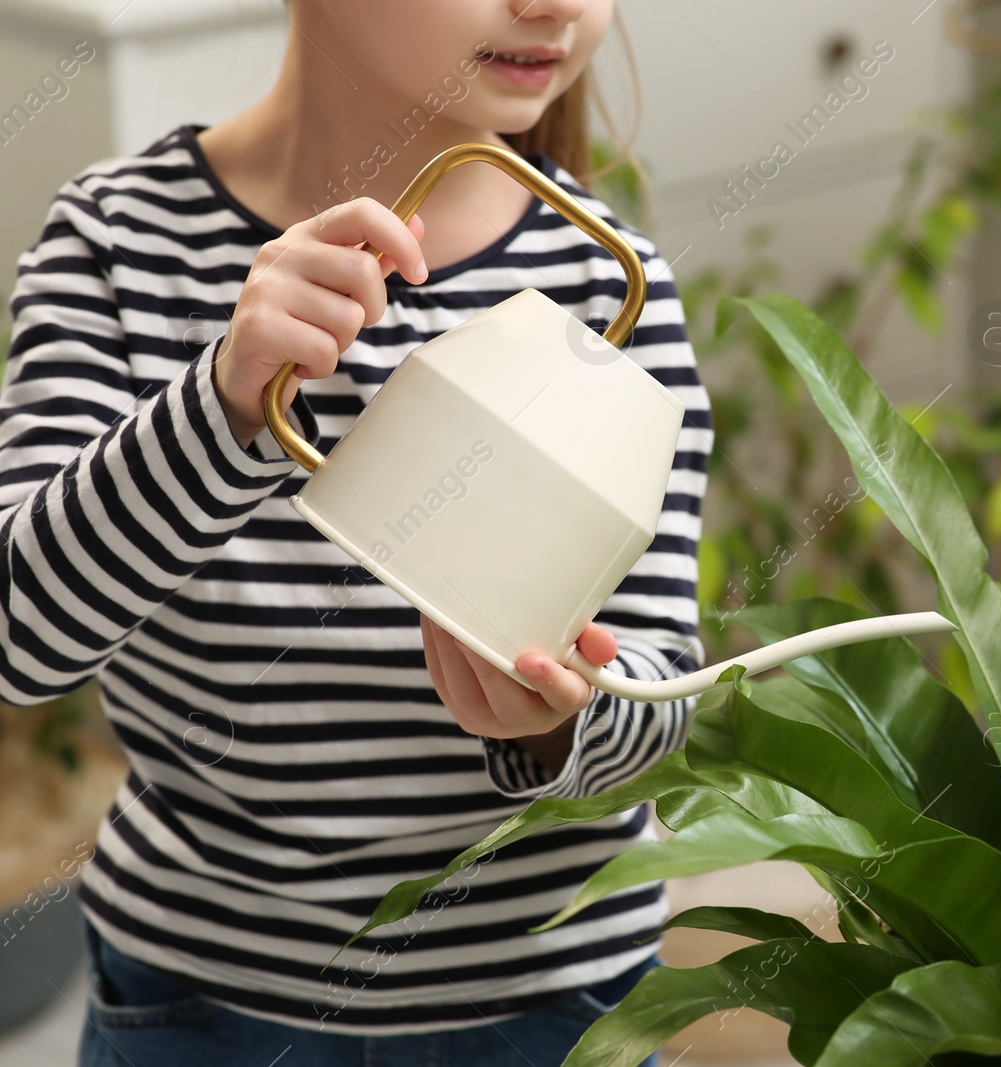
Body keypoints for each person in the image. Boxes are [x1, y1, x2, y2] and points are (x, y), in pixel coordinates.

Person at [0, 1, 711, 1063]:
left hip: (549, 1010)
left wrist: (552, 726)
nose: (560, 6)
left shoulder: (611, 289)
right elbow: (19, 639)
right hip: (198, 1009)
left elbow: (659, 696)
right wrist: (224, 405)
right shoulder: (121, 240)